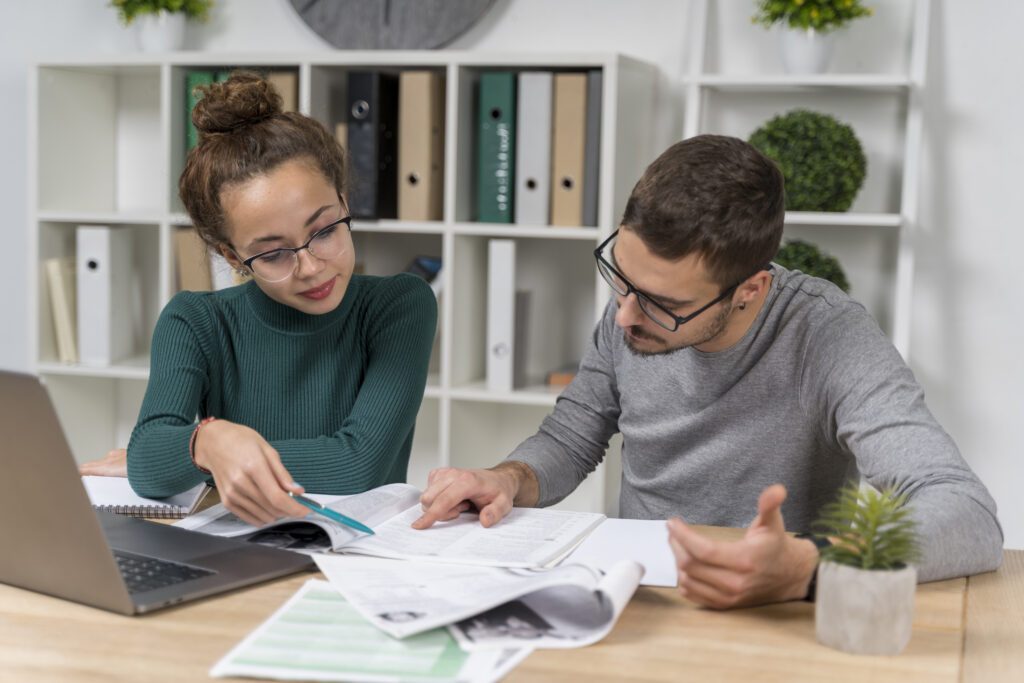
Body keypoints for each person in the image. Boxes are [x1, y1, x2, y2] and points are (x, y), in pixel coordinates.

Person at [413, 135, 1003, 609]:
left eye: (661, 303)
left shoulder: (830, 336)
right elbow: (572, 436)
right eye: (618, 278)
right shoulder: (639, 299)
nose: (623, 315)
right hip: (635, 596)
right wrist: (508, 478)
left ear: (750, 289)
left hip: (773, 611)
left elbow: (965, 513)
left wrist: (811, 566)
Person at [79, 71, 437, 528]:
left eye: (325, 230)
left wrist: (201, 451)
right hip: (239, 548)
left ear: (345, 204)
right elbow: (150, 460)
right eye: (273, 253)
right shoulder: (195, 321)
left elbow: (357, 463)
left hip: (359, 557)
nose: (311, 267)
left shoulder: (399, 305)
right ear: (232, 255)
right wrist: (203, 445)